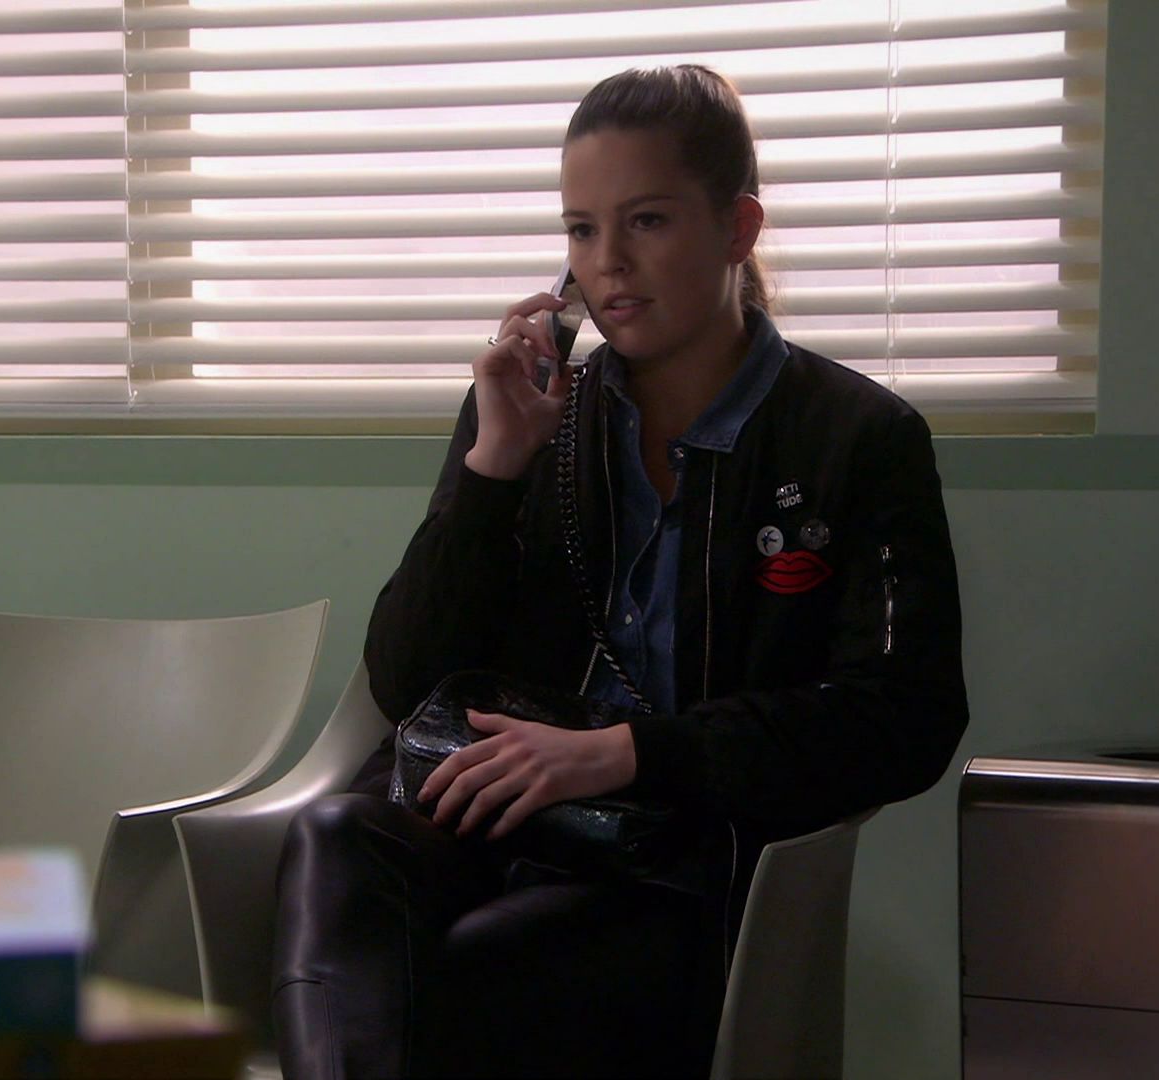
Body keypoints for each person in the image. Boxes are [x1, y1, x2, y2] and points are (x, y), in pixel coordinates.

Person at [272, 64, 969, 1080]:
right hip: (506, 818)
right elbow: (404, 677)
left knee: (473, 968)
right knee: (339, 837)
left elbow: (906, 716)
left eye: (646, 221)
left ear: (737, 229)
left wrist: (628, 754)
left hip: (684, 854)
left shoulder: (857, 436)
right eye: (581, 230)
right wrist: (493, 468)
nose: (608, 264)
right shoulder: (533, 413)